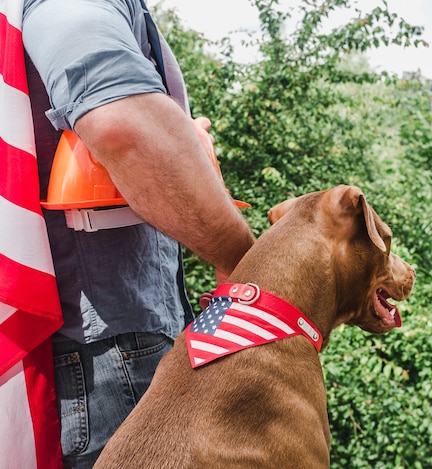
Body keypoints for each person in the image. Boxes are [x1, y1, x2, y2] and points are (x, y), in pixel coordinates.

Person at [21, 0, 255, 466]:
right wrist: (245, 262)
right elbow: (121, 125)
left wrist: (176, 137)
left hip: (104, 349)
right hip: (113, 355)